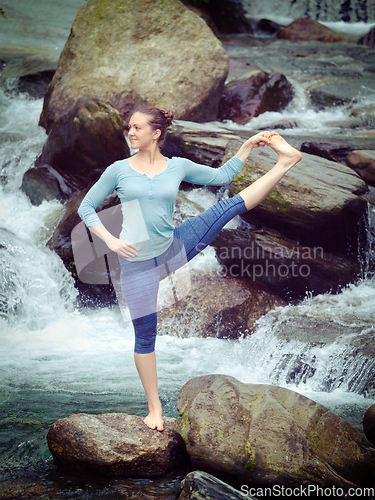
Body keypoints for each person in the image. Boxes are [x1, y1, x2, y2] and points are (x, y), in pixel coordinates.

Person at [77, 106, 302, 432]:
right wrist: (110, 241)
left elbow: (223, 177)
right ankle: (154, 408)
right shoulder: (118, 170)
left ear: (156, 133)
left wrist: (248, 146)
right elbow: (86, 207)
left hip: (174, 247)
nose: (130, 132)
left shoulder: (177, 166)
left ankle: (285, 162)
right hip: (136, 267)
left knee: (226, 207)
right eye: (129, 127)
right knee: (145, 338)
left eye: (137, 127)